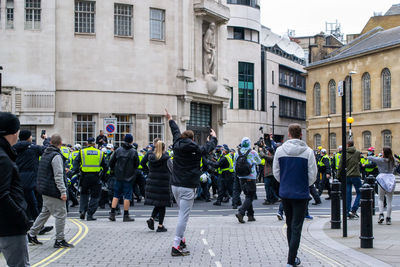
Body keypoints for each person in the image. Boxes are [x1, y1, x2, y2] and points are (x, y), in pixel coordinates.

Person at [165, 109, 217, 257]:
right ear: (193, 139)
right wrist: (213, 138)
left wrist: (170, 119)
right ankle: (176, 245)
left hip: (175, 185)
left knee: (180, 213)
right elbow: (208, 148)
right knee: (183, 216)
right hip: (188, 186)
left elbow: (174, 130)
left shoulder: (177, 143)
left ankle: (181, 240)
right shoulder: (195, 148)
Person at [273, 124, 317, 267]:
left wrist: (285, 182)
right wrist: (303, 184)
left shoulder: (280, 151)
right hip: (301, 193)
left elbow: (276, 172)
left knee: (290, 224)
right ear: (301, 135)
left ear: (289, 134)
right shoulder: (308, 152)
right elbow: (313, 175)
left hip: (286, 193)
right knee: (297, 226)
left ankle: (292, 257)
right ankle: (291, 260)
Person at [28, 134, 74, 249]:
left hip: (45, 189)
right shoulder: (56, 156)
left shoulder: (46, 154)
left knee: (45, 213)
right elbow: (58, 176)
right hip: (54, 190)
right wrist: (63, 192)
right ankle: (59, 239)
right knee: (61, 215)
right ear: (60, 143)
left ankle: (32, 234)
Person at [0, 112, 31, 267]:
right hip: (10, 225)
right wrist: (22, 218)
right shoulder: (3, 158)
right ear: (13, 132)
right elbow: (2, 195)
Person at [70, 137, 107, 221]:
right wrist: (104, 176)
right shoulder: (99, 153)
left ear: (87, 143)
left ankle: (82, 211)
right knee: (95, 196)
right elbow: (105, 166)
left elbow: (76, 162)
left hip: (84, 176)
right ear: (94, 144)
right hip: (96, 177)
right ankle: (90, 214)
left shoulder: (82, 152)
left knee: (84, 194)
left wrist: (74, 172)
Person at [108, 134, 139, 222]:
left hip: (118, 176)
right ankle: (126, 215)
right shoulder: (133, 151)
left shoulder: (118, 150)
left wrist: (114, 171)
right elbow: (137, 164)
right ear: (131, 141)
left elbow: (111, 162)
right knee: (127, 196)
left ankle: (112, 213)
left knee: (116, 195)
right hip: (129, 177)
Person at [145, 141, 172, 232]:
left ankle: (152, 219)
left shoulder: (151, 157)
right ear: (164, 148)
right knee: (162, 205)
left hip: (153, 183)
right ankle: (160, 226)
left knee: (158, 203)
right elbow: (172, 169)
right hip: (163, 183)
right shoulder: (167, 158)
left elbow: (146, 166)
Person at [234, 137, 261, 223]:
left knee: (248, 196)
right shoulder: (253, 152)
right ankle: (241, 212)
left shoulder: (237, 153)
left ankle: (250, 216)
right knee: (251, 196)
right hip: (251, 176)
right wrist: (253, 162)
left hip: (241, 177)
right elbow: (259, 162)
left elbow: (234, 165)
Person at [368, 147, 397, 225]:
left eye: (382, 151)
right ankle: (388, 218)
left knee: (380, 198)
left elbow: (370, 158)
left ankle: (381, 214)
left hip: (382, 178)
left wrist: (376, 156)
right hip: (391, 178)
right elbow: (396, 163)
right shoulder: (393, 160)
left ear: (384, 153)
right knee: (389, 200)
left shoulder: (380, 160)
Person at [338, 140, 362, 219]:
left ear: (347, 145)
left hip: (347, 176)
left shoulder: (343, 153)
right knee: (360, 192)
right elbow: (358, 161)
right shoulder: (358, 152)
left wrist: (338, 176)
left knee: (348, 194)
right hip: (355, 175)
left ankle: (348, 212)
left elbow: (340, 165)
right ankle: (354, 209)